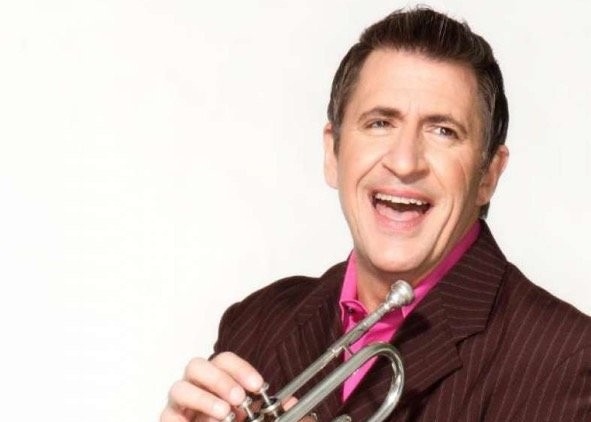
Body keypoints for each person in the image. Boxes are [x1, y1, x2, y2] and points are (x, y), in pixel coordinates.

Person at [161, 7, 591, 422]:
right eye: (380, 123)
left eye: (443, 131)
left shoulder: (565, 357)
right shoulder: (259, 321)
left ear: (488, 175)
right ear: (333, 153)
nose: (404, 162)